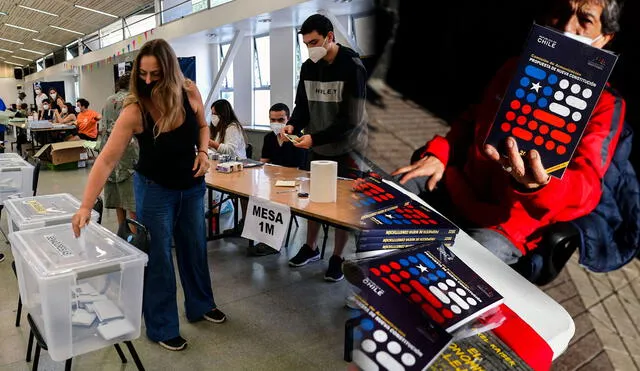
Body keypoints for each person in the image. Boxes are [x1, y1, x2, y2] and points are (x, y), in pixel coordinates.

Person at [392, 0, 625, 265]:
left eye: (585, 20)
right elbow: (473, 119)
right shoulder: (516, 67)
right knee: (385, 199)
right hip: (457, 187)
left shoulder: (605, 105)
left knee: (458, 269)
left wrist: (542, 184)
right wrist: (440, 153)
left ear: (605, 37)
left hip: (505, 226)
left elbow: (587, 185)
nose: (567, 26)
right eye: (560, 12)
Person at [72, 38, 226, 352]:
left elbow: (202, 126)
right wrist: (86, 205)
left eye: (155, 74)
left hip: (193, 188)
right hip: (155, 192)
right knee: (158, 261)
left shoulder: (189, 92)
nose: (147, 81)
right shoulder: (135, 109)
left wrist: (203, 152)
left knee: (195, 249)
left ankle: (201, 303)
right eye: (142, 74)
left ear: (169, 71)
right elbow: (106, 158)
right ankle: (162, 326)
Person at [283, 14, 369, 282]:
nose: (311, 48)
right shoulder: (309, 66)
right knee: (315, 198)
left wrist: (315, 138)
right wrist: (292, 126)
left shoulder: (352, 66)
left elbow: (350, 120)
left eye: (315, 42)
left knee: (339, 205)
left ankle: (338, 256)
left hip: (348, 148)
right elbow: (302, 105)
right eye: (306, 44)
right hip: (318, 146)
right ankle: (311, 247)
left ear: (330, 37)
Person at [98, 73, 138, 230]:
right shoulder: (132, 101)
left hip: (110, 154)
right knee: (132, 203)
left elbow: (103, 129)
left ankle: (122, 232)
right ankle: (135, 238)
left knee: (119, 201)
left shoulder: (109, 100)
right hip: (130, 156)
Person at [260, 103, 307, 168]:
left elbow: (300, 167)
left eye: (280, 120)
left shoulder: (297, 138)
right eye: (273, 120)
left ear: (288, 119)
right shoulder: (268, 138)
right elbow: (264, 161)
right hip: (274, 175)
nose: (276, 123)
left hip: (293, 175)